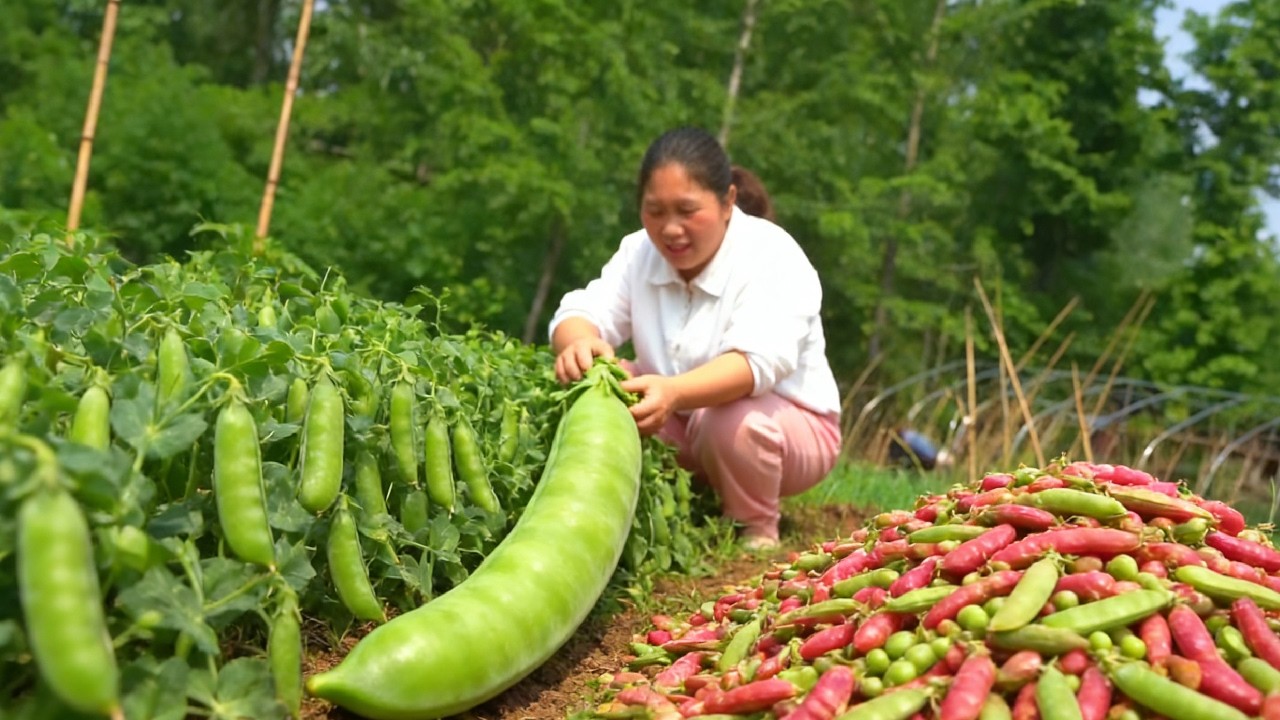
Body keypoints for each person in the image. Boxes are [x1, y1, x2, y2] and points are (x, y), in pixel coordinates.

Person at [548, 127, 842, 550]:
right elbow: (582, 311)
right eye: (654, 211)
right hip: (687, 418)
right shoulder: (638, 253)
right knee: (604, 381)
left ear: (728, 202)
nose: (670, 230)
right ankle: (657, 510)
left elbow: (755, 363)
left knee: (727, 420)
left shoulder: (773, 255)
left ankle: (753, 528)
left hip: (789, 432)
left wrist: (672, 393)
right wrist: (578, 343)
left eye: (687, 211)